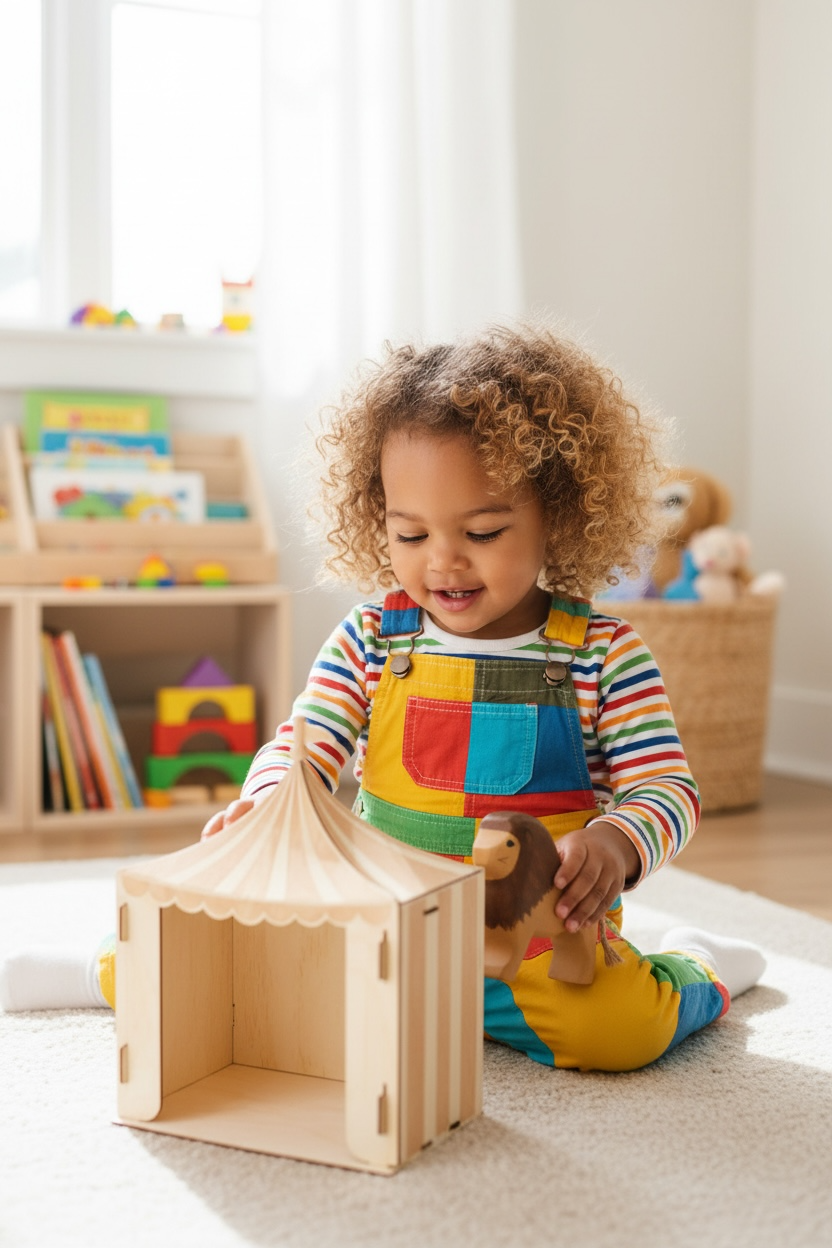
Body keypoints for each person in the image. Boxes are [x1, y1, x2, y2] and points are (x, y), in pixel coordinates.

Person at [0, 323, 765, 1069]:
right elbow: (303, 745)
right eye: (410, 535)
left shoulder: (604, 654)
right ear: (378, 522)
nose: (445, 562)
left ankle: (693, 968)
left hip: (532, 952)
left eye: (485, 530)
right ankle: (103, 970)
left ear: (559, 515)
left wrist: (620, 843)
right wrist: (271, 803)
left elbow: (668, 788)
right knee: (239, 970)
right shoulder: (372, 638)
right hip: (378, 928)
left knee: (614, 1031)